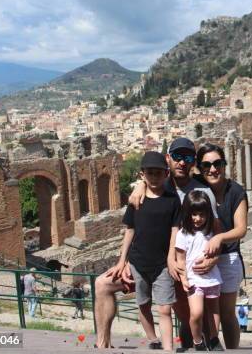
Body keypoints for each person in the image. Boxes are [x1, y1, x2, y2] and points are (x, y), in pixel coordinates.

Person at [94, 137, 218, 350]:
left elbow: (212, 233)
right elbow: (132, 226)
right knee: (102, 284)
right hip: (146, 262)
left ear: (193, 162)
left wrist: (211, 258)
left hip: (182, 267)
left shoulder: (202, 191)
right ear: (168, 160)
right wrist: (122, 262)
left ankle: (196, 344)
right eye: (177, 157)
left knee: (187, 318)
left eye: (187, 157)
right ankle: (103, 343)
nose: (182, 162)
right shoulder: (154, 183)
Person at [111, 151, 180, 351]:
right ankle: (152, 338)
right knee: (143, 304)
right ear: (143, 175)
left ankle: (168, 349)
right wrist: (122, 261)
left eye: (159, 173)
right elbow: (129, 230)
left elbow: (175, 230)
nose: (155, 177)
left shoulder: (172, 200)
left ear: (166, 174)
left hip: (162, 265)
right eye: (150, 173)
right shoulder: (136, 201)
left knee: (165, 309)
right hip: (138, 262)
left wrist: (170, 257)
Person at [196, 143, 248, 349]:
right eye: (206, 165)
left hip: (228, 257)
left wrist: (219, 238)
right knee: (203, 312)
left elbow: (241, 229)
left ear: (225, 164)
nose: (212, 169)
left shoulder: (236, 191)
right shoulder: (196, 185)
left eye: (217, 163)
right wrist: (140, 186)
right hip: (202, 257)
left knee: (226, 313)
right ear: (200, 168)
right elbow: (167, 182)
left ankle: (232, 350)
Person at [175, 190, 224, 351]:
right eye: (194, 214)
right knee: (196, 313)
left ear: (207, 214)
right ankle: (197, 341)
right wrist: (183, 278)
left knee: (213, 310)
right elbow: (180, 259)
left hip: (211, 277)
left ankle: (214, 338)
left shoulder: (211, 233)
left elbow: (217, 253)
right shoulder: (183, 234)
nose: (197, 219)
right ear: (187, 214)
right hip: (193, 279)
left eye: (201, 215)